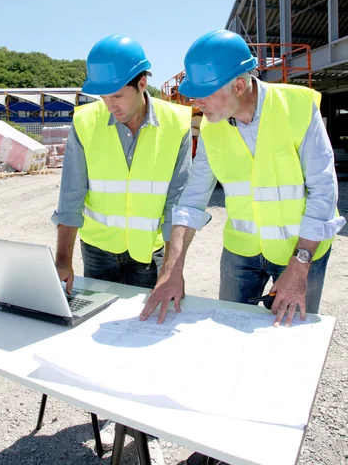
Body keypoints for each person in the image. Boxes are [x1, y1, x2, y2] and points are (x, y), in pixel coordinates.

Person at [141, 29, 346, 329]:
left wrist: (300, 266)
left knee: (291, 336)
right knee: (230, 334)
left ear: (238, 85)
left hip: (302, 249)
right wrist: (172, 267)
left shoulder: (298, 109)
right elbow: (192, 199)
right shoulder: (212, 128)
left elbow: (324, 192)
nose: (198, 103)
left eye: (204, 94)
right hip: (241, 253)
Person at [52, 33, 192, 462]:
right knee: (103, 337)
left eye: (117, 94)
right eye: (102, 95)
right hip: (99, 249)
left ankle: (146, 422)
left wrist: (174, 268)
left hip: (149, 252)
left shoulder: (178, 124)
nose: (109, 104)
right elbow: (71, 195)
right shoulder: (85, 122)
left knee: (150, 334)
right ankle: (112, 414)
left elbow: (177, 203)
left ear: (142, 82)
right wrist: (62, 258)